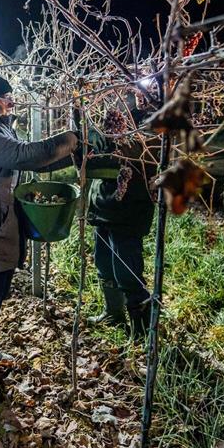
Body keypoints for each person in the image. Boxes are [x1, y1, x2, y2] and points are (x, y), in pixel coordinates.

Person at [0, 69, 78, 403]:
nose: (12, 102)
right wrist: (72, 138)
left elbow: (32, 161)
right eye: (7, 98)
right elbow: (23, 156)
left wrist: (72, 153)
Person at [84, 106, 156, 339]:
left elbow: (142, 155)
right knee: (103, 264)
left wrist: (117, 143)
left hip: (129, 209)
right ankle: (113, 312)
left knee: (127, 272)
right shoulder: (104, 112)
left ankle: (141, 333)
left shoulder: (150, 119)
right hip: (103, 203)